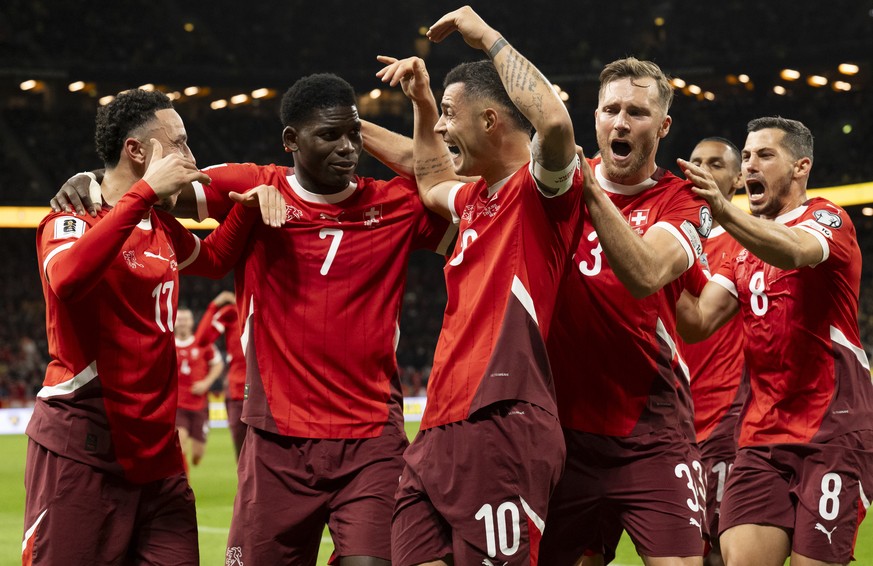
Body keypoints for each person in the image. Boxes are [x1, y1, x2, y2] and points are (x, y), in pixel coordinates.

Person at [22, 88, 283, 565]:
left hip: (159, 457)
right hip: (84, 446)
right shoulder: (70, 218)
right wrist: (143, 194)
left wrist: (249, 208)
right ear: (136, 150)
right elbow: (67, 280)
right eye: (179, 143)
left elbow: (214, 259)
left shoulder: (159, 225)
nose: (191, 155)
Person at [375, 6, 585, 564]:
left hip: (503, 419)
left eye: (450, 115)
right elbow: (430, 181)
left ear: (490, 120)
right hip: (439, 423)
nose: (442, 129)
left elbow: (555, 126)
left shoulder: (541, 193)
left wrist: (487, 36)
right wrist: (424, 104)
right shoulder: (473, 199)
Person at [676, 116, 873, 566]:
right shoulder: (741, 250)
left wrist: (724, 212)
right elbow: (698, 321)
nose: (749, 165)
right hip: (761, 436)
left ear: (801, 167)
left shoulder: (828, 218)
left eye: (765, 155)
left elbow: (793, 250)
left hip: (833, 433)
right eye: (746, 156)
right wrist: (656, 259)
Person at [539, 57, 713, 565]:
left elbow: (646, 273)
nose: (620, 122)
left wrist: (589, 190)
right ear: (594, 117)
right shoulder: (551, 186)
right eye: (610, 110)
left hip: (653, 433)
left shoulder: (684, 200)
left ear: (663, 126)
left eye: (637, 112)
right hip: (563, 434)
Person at [679, 137, 747, 566]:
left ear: (738, 178)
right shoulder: (669, 235)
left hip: (724, 414)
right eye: (696, 161)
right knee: (682, 546)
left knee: (721, 546)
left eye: (716, 164)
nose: (702, 170)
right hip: (671, 417)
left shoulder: (748, 242)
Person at [196, 290, 247, 458]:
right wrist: (214, 306)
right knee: (242, 455)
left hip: (268, 394)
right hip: (239, 392)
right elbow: (202, 340)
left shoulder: (272, 308)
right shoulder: (233, 313)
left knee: (267, 456)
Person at [174, 306, 225, 467]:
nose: (182, 323)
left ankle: (192, 462)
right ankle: (183, 481)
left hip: (199, 406)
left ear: (191, 322)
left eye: (185, 319)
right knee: (180, 444)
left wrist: (206, 383)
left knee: (197, 455)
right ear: (174, 322)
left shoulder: (202, 342)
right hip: (177, 406)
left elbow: (218, 364)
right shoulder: (167, 344)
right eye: (179, 319)